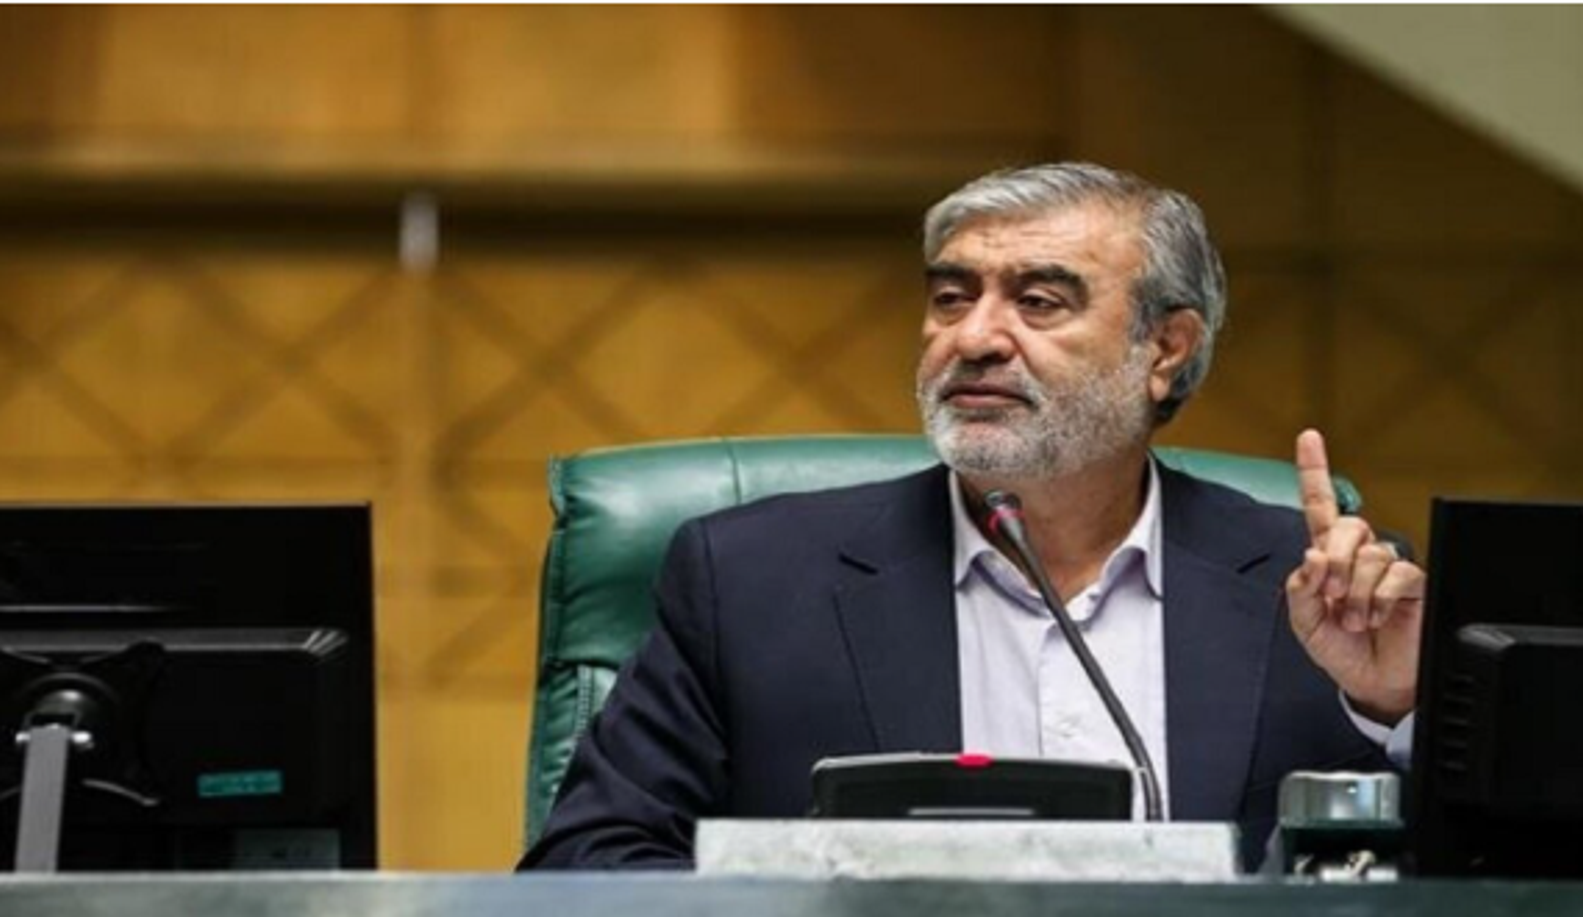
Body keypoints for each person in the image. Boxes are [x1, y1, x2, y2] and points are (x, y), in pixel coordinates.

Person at [519, 162, 1425, 871]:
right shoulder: (750, 579)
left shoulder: (1320, 592)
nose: (975, 337)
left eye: (1039, 301)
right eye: (952, 296)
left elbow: (1465, 877)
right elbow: (586, 866)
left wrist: (1393, 711)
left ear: (1165, 348)